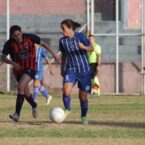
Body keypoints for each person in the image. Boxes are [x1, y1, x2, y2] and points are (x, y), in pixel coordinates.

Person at [1, 25, 59, 122]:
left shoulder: (30, 37)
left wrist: (55, 55)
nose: (18, 37)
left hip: (31, 67)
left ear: (21, 32)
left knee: (21, 86)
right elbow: (3, 57)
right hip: (18, 70)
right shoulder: (9, 44)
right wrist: (12, 63)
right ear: (11, 36)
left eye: (19, 34)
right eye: (15, 36)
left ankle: (17, 114)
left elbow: (44, 44)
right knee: (27, 94)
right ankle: (34, 105)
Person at [59, 19, 93, 125]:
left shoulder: (80, 36)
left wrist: (84, 47)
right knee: (66, 90)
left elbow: (91, 48)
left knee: (82, 96)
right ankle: (67, 109)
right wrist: (62, 68)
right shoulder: (62, 41)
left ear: (70, 29)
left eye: (63, 29)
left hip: (85, 71)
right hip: (71, 69)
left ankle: (83, 116)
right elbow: (64, 54)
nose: (61, 31)